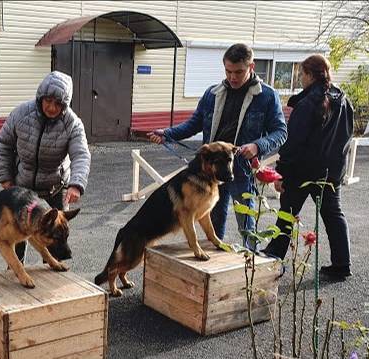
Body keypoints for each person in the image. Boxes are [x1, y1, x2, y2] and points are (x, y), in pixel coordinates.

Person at [149, 43, 287, 249]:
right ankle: (212, 272)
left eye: (238, 72)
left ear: (252, 66)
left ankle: (252, 271)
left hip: (241, 170)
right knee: (213, 225)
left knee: (247, 226)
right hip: (210, 173)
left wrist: (257, 146)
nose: (233, 77)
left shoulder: (267, 96)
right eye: (228, 71)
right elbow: (193, 124)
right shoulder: (212, 93)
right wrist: (167, 133)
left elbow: (281, 132)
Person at [263, 54, 354, 280]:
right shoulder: (343, 100)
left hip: (301, 172)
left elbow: (293, 143)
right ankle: (342, 265)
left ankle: (274, 257)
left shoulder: (307, 104)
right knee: (334, 216)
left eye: (301, 74)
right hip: (329, 172)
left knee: (286, 214)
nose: (300, 79)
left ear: (309, 75)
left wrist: (281, 173)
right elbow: (347, 136)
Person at [0, 71, 91, 263]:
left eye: (58, 104)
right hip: (22, 190)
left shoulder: (72, 124)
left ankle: (55, 277)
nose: (52, 107)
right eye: (48, 100)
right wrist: (6, 178)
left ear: (65, 105)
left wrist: (76, 184)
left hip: (54, 189)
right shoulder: (21, 114)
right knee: (17, 238)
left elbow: (81, 154)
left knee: (56, 240)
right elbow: (4, 143)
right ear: (41, 96)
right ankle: (15, 272)